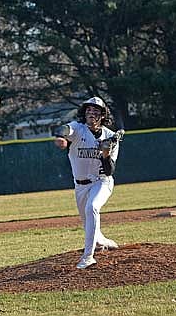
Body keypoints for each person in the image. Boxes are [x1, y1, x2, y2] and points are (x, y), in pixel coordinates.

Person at [54, 97, 122, 269]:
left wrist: (106, 153)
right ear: (84, 113)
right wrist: (61, 137)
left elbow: (109, 171)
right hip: (80, 186)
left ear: (102, 115)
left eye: (96, 111)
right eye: (89, 110)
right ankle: (103, 242)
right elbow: (64, 129)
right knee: (88, 223)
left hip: (101, 182)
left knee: (92, 207)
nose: (92, 113)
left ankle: (88, 257)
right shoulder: (78, 129)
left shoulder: (109, 136)